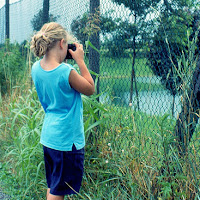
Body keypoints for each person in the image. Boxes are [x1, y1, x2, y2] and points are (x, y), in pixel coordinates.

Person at [30, 22, 95, 200]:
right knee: (58, 191)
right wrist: (80, 61)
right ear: (61, 43)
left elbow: (54, 78)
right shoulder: (66, 71)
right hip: (66, 140)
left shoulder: (36, 68)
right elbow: (90, 88)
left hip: (50, 137)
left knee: (53, 186)